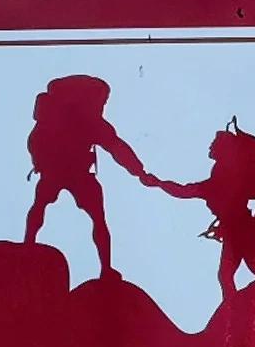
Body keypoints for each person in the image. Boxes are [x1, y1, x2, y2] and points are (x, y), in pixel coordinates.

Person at [20, 74, 161, 278]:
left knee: (46, 204)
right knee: (95, 218)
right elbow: (117, 148)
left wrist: (139, 171)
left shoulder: (74, 120)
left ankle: (29, 243)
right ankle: (105, 268)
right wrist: (139, 172)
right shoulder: (90, 122)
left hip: (61, 170)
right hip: (70, 171)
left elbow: (118, 149)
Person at [184, 117, 255, 299]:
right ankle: (236, 306)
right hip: (237, 230)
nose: (210, 147)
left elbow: (201, 190)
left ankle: (235, 308)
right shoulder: (225, 171)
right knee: (245, 270)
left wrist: (158, 183)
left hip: (240, 230)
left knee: (236, 272)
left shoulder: (225, 172)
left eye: (214, 144)